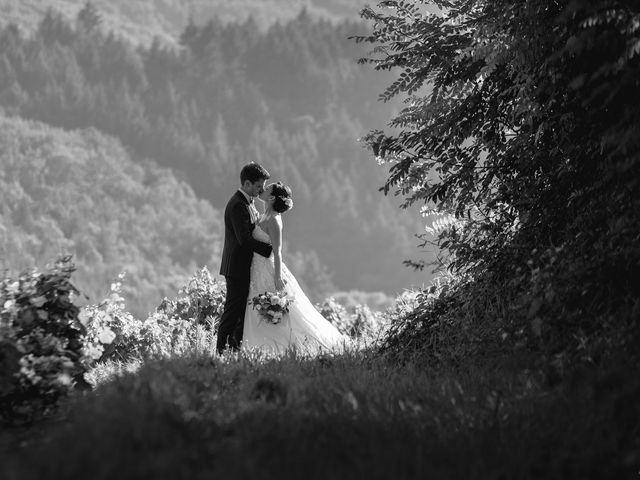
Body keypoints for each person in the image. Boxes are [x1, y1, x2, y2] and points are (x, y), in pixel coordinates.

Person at [242, 182, 347, 354]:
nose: (263, 189)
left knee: (275, 309)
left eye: (267, 189)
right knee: (254, 307)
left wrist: (277, 277)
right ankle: (258, 347)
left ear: (272, 197)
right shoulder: (263, 216)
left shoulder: (274, 220)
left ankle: (282, 347)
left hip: (267, 269)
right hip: (255, 268)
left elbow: (278, 252)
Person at [217, 163, 273, 354]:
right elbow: (244, 240)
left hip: (243, 266)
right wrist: (268, 250)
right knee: (232, 311)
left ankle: (233, 350)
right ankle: (220, 352)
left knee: (241, 311)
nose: (261, 190)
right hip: (236, 267)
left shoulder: (248, 202)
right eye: (259, 186)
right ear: (247, 184)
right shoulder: (237, 205)